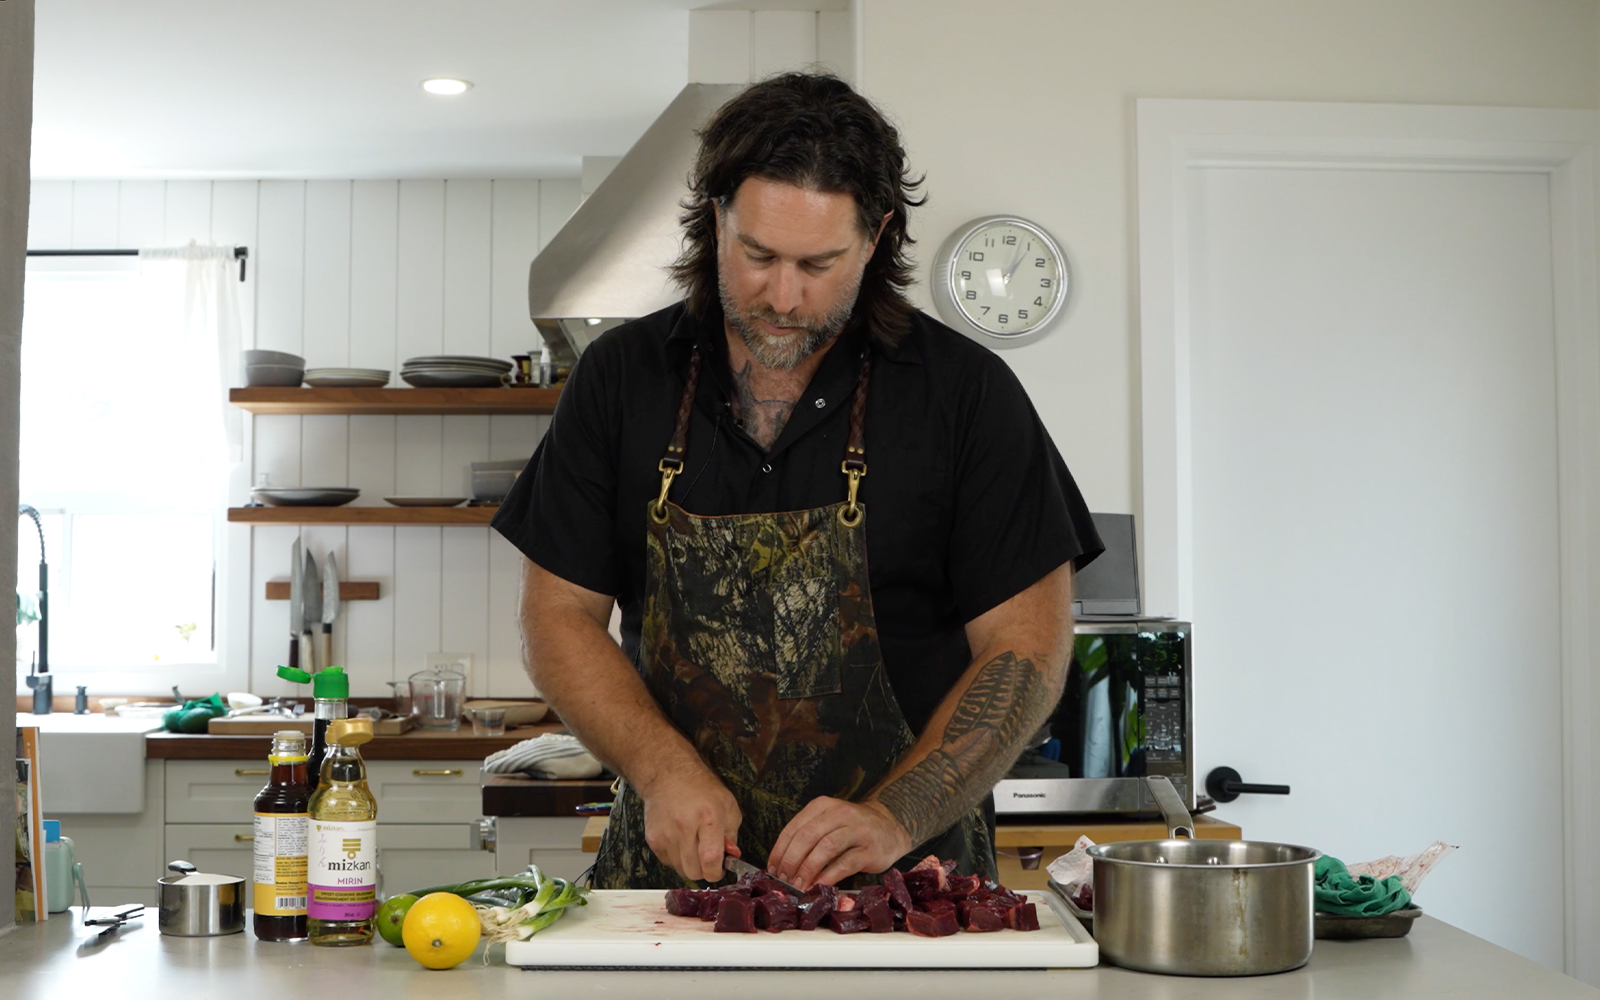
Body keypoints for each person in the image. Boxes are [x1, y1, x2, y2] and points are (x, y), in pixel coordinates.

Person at [492, 72, 1102, 891]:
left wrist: (896, 817)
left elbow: (1026, 649)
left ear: (878, 236)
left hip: (909, 890)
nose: (782, 297)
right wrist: (664, 770)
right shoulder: (621, 379)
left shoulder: (964, 394)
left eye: (818, 263)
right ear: (717, 220)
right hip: (673, 884)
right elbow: (557, 615)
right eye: (758, 256)